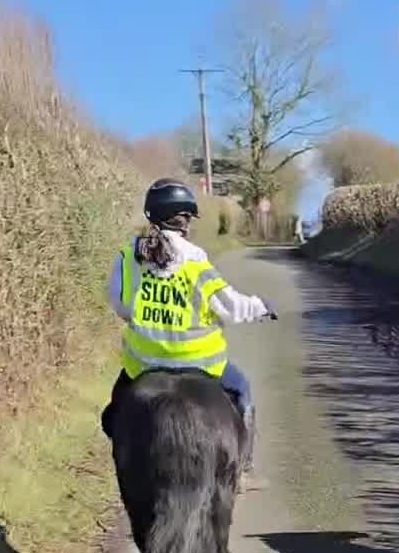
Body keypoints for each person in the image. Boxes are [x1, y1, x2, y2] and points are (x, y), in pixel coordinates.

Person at [102, 179, 275, 474]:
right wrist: (260, 306)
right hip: (200, 364)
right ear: (184, 220)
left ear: (151, 214)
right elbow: (229, 306)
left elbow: (120, 305)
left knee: (112, 417)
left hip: (142, 364)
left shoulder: (128, 255)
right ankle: (244, 466)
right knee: (243, 392)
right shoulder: (195, 259)